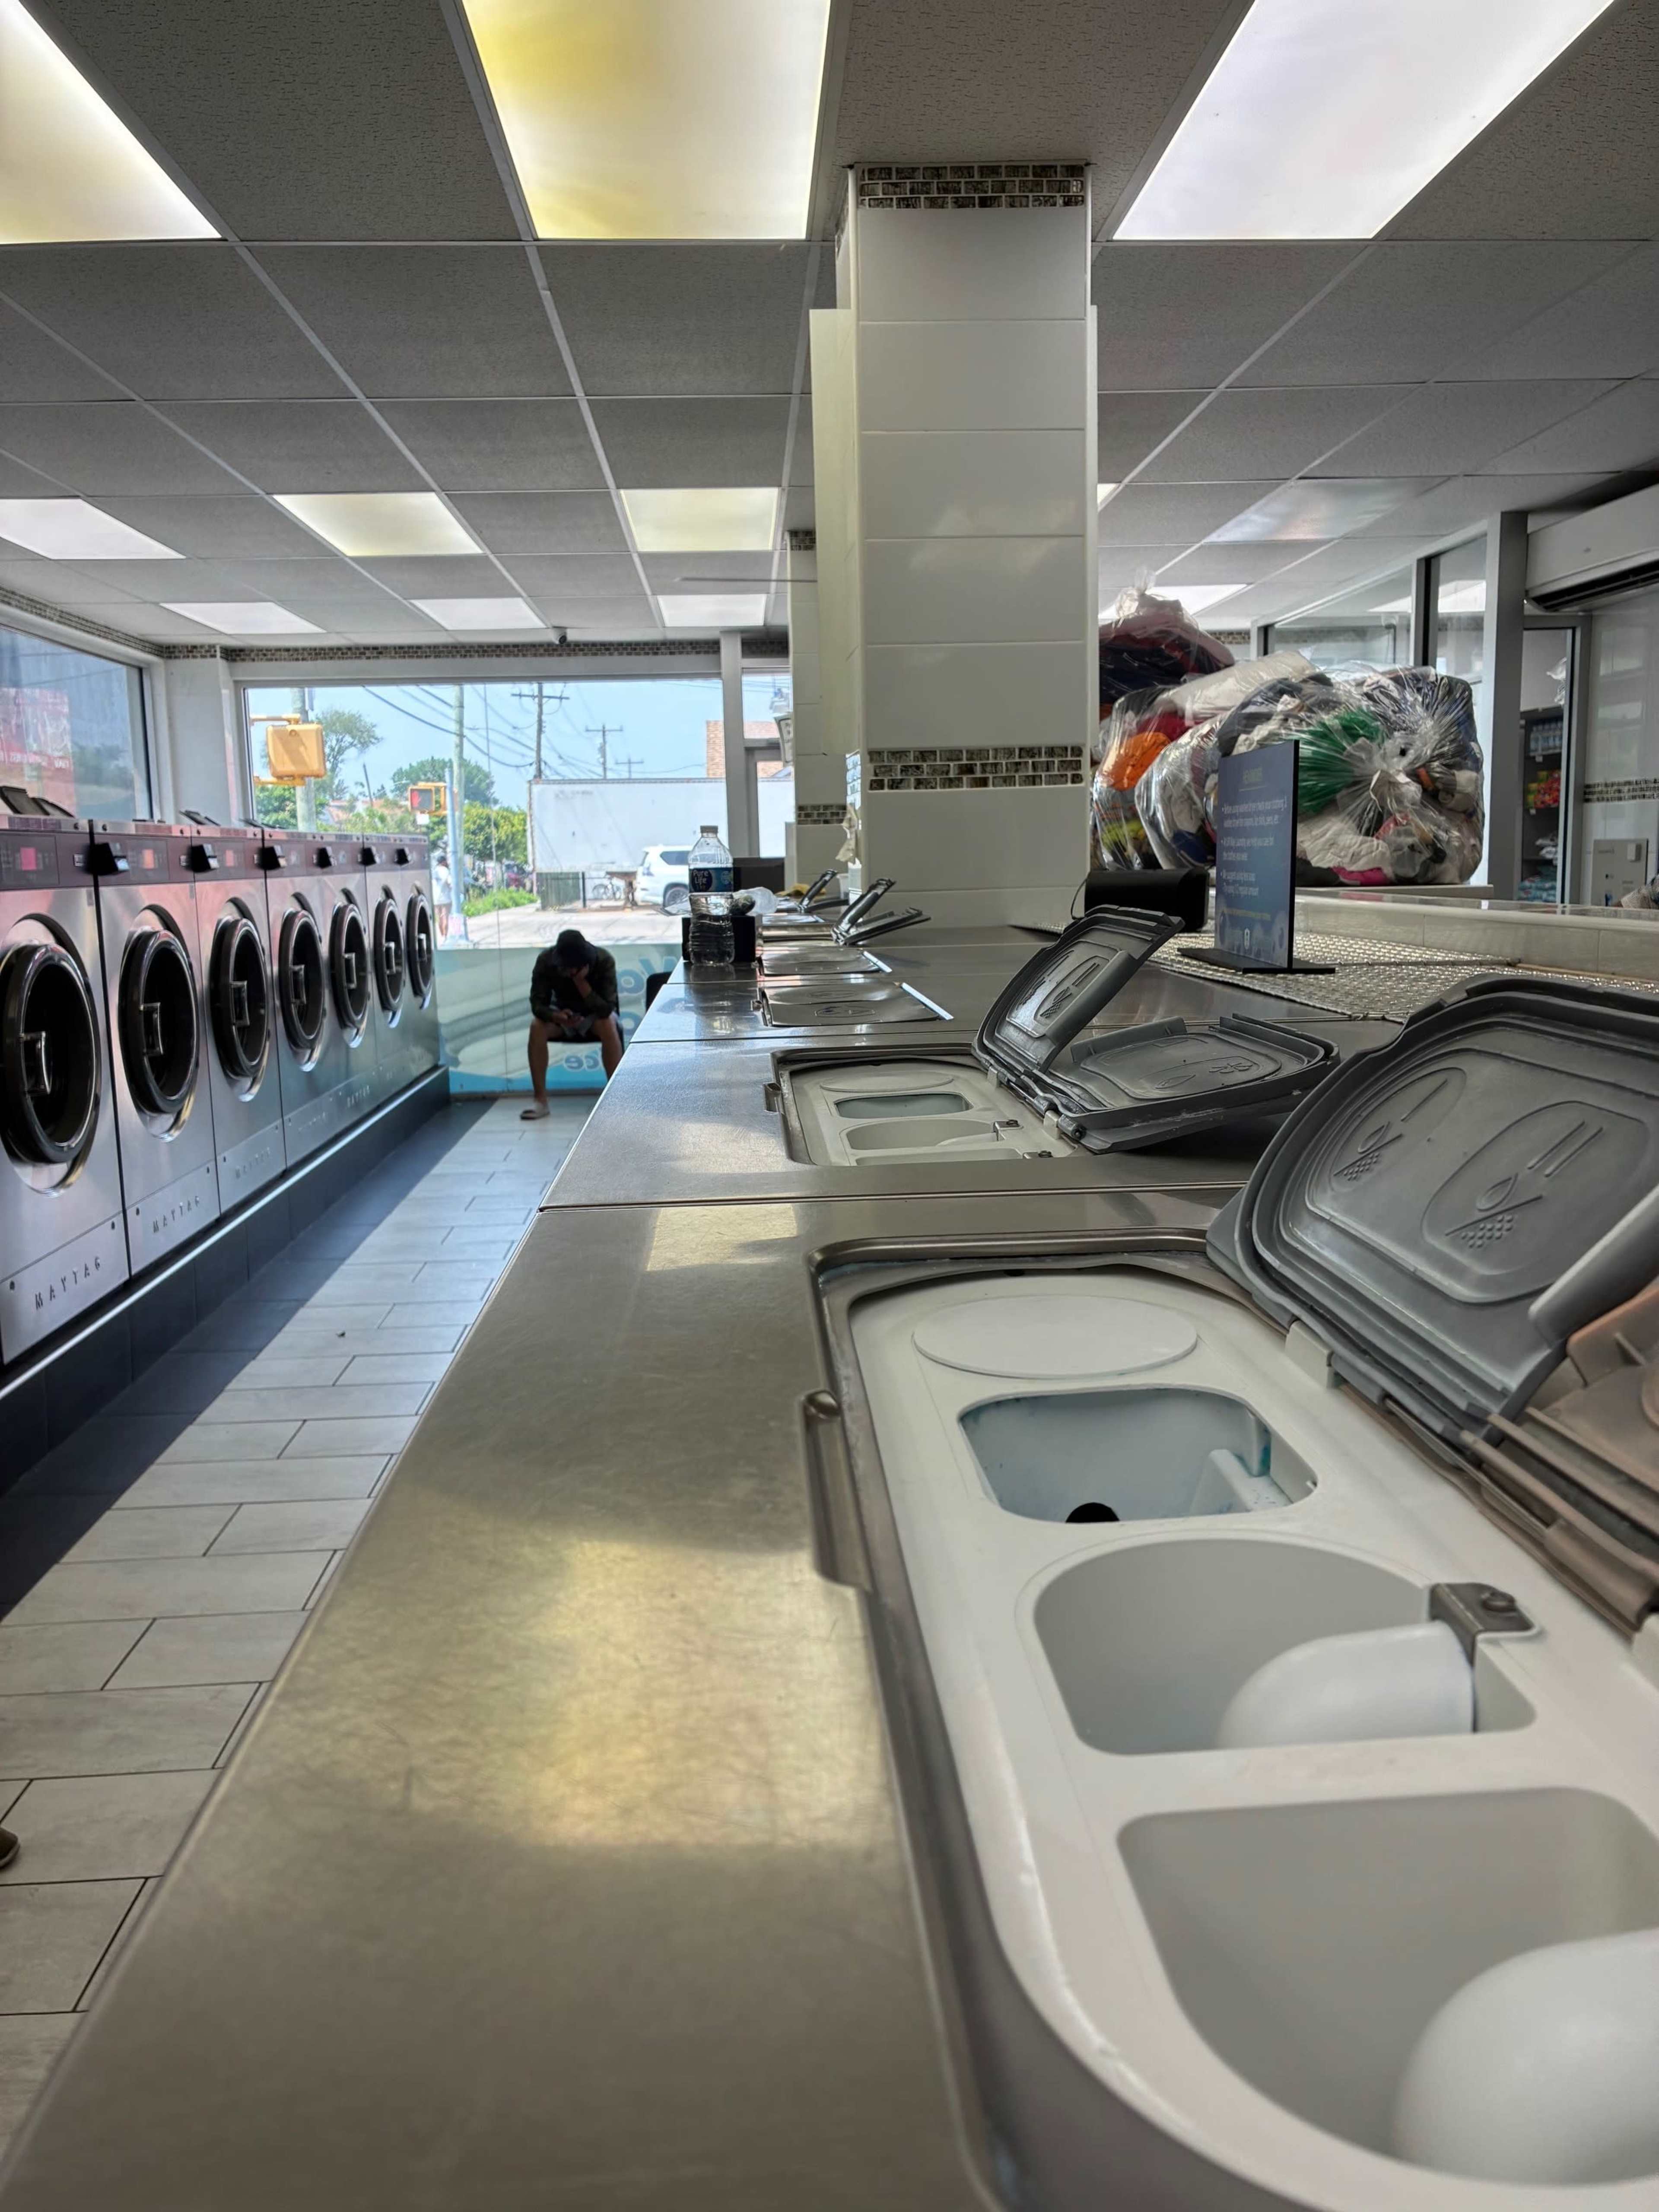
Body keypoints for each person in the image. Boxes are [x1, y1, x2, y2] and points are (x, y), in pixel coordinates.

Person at [524, 928, 622, 1116]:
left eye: (572, 968)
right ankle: (540, 1100)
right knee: (537, 1027)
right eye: (565, 967)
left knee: (608, 1024)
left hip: (596, 1017)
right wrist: (556, 1016)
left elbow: (606, 1009)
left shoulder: (604, 960)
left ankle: (616, 1099)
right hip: (561, 1015)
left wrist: (581, 983)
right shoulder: (546, 961)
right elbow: (537, 1004)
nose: (568, 972)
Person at [432, 852, 453, 939]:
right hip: (446, 898)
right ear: (444, 862)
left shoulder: (434, 871)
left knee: (439, 918)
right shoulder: (446, 871)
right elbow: (450, 883)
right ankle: (445, 936)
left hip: (436, 898)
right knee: (445, 917)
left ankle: (441, 936)